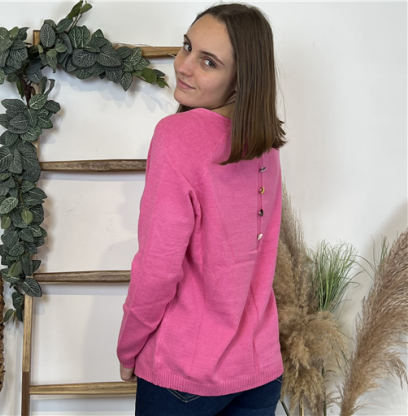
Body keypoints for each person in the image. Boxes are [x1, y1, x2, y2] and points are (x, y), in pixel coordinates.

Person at [117, 3, 287, 415]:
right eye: (187, 46)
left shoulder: (177, 136)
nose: (183, 65)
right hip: (260, 372)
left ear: (240, 80)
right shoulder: (264, 145)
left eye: (208, 62)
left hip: (185, 373)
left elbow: (158, 268)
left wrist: (129, 347)